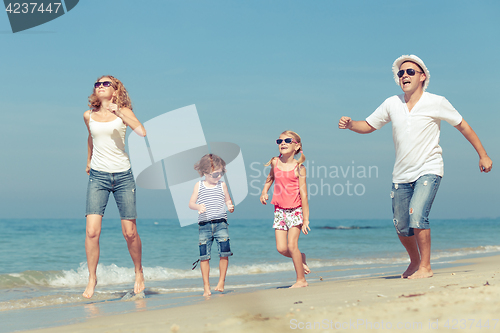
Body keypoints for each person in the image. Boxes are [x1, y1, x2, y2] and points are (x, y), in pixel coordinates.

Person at [338, 55, 492, 279]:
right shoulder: (392, 103)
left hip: (429, 168)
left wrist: (483, 155)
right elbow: (369, 125)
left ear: (423, 76)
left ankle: (426, 268)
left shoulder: (436, 102)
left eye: (410, 72)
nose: (404, 76)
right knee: (402, 226)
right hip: (401, 174)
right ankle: (415, 262)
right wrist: (351, 124)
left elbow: (463, 127)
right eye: (400, 73)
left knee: (418, 215)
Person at [83, 75, 147, 298]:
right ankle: (92, 277)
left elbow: (141, 132)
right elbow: (91, 138)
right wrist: (89, 160)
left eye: (105, 83)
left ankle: (138, 271)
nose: (100, 86)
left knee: (129, 233)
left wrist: (119, 112)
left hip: (123, 176)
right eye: (97, 84)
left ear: (116, 89)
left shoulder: (124, 111)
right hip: (98, 177)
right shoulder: (88, 115)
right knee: (92, 231)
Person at [260, 130, 311, 288]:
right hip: (279, 210)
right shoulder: (275, 162)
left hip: (295, 210)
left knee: (291, 246)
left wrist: (306, 219)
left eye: (288, 141)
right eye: (280, 141)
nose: (282, 143)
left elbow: (304, 195)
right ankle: (300, 257)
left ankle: (301, 280)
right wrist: (264, 191)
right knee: (281, 248)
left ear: (297, 146)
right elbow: (271, 178)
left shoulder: (299, 168)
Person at [189, 154, 235, 296]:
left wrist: (230, 206)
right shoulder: (199, 185)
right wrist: (198, 207)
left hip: (221, 223)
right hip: (204, 225)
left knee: (224, 253)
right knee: (204, 256)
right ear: (205, 172)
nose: (218, 177)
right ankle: (206, 287)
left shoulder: (222, 185)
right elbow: (191, 203)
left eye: (221, 173)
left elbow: (227, 199)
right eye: (215, 174)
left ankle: (221, 281)